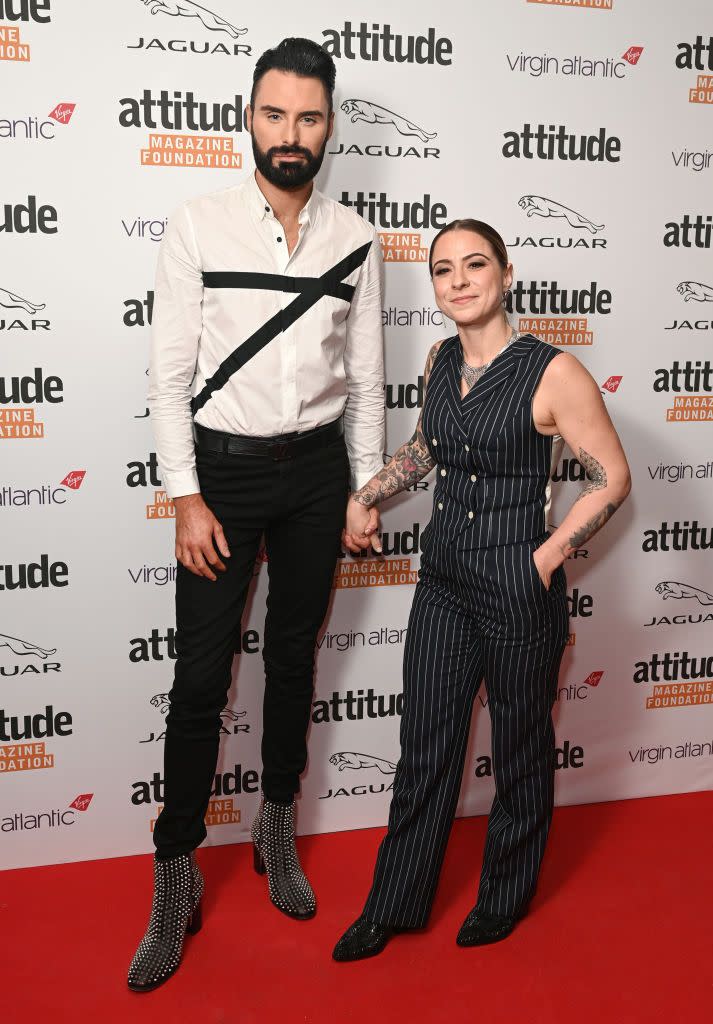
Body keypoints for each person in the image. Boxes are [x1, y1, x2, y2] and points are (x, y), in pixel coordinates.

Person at [128, 37, 384, 992]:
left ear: (329, 126)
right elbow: (167, 376)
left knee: (291, 660)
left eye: (309, 117)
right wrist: (187, 498)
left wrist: (361, 489)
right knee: (199, 682)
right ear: (248, 117)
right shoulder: (197, 223)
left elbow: (365, 384)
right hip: (223, 480)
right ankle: (175, 869)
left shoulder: (357, 237)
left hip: (318, 475)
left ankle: (276, 827)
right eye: (274, 115)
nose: (291, 134)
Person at [334, 218, 631, 960]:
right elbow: (424, 448)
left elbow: (611, 478)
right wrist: (367, 494)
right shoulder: (438, 359)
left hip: (515, 581)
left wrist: (545, 557)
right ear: (434, 287)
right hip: (441, 578)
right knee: (424, 747)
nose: (459, 280)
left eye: (474, 265)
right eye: (443, 270)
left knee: (521, 748)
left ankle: (502, 897)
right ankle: (392, 905)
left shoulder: (553, 372)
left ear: (503, 274)